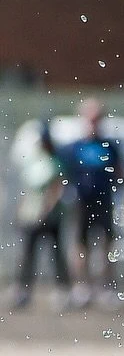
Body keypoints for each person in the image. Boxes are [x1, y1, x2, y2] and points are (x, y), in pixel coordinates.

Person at [65, 99, 124, 306]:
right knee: (81, 245)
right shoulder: (74, 147)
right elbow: (65, 174)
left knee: (107, 244)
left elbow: (120, 172)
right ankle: (82, 287)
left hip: (105, 201)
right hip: (82, 201)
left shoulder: (109, 146)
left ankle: (107, 287)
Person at [11, 121, 71, 306]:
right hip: (31, 215)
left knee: (56, 254)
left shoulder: (55, 162)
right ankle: (23, 290)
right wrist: (22, 211)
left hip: (50, 217)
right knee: (28, 254)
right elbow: (28, 190)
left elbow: (57, 188)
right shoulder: (34, 161)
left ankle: (63, 291)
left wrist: (47, 210)